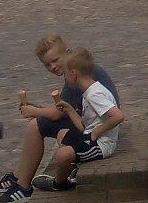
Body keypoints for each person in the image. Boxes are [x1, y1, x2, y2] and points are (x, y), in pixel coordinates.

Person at [0, 35, 119, 203]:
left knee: (36, 125)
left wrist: (34, 111)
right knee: (40, 123)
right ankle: (18, 176)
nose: (53, 67)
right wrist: (39, 108)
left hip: (98, 129)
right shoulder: (76, 66)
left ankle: (23, 186)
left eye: (55, 60)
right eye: (47, 64)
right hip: (90, 121)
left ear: (66, 53)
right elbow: (63, 106)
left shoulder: (76, 75)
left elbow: (58, 114)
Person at [35, 48, 124, 193]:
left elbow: (118, 116)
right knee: (62, 134)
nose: (65, 78)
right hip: (89, 136)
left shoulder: (95, 94)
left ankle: (59, 183)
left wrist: (97, 132)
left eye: (66, 74)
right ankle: (73, 166)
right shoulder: (88, 92)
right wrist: (69, 109)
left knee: (62, 155)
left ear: (74, 74)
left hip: (101, 145)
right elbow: (84, 126)